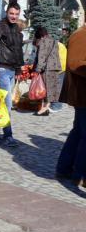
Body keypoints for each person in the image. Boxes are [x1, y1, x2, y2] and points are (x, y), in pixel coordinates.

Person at [55, 18, 86, 187]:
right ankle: (79, 173)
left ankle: (65, 168)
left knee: (78, 132)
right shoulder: (81, 35)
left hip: (82, 94)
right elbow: (75, 63)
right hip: (82, 94)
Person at [0, 2, 24, 147]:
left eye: (16, 14)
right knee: (7, 104)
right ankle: (8, 135)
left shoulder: (16, 28)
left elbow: (18, 50)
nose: (14, 16)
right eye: (11, 13)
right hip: (2, 69)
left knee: (1, 103)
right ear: (6, 13)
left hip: (11, 69)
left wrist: (18, 69)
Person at [32, 27, 62, 116]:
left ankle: (44, 109)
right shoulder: (53, 40)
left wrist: (37, 70)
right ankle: (44, 108)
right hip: (55, 67)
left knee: (45, 89)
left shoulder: (43, 42)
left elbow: (42, 57)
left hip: (47, 68)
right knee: (51, 89)